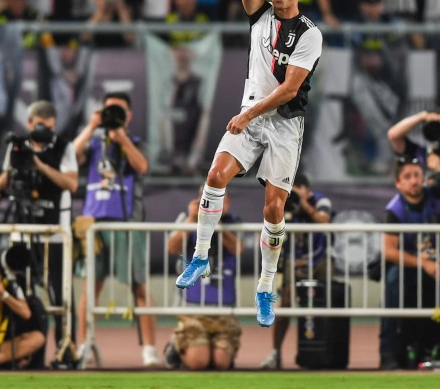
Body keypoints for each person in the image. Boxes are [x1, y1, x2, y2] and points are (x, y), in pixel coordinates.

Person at [174, 0, 323, 329]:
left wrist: (247, 114)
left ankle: (264, 286)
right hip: (250, 117)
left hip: (284, 126)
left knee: (274, 210)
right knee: (215, 176)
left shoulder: (310, 34)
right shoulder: (259, 14)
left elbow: (290, 88)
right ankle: (201, 255)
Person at [71, 92, 159, 367]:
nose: (113, 116)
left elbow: (142, 166)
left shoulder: (134, 142)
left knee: (140, 288)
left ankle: (149, 349)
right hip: (94, 224)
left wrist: (121, 138)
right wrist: (91, 126)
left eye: (119, 111)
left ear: (129, 115)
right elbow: (72, 156)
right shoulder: (94, 143)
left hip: (127, 222)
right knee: (89, 290)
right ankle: (84, 346)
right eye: (109, 110)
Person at [0, 101, 78, 360]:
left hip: (55, 232)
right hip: (23, 231)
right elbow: (6, 176)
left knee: (60, 294)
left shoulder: (64, 146)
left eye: (47, 127)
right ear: (29, 124)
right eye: (38, 126)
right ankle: (27, 352)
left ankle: (66, 351)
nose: (42, 132)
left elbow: (71, 184)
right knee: (21, 292)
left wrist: (40, 166)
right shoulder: (18, 145)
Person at [378, 156, 440, 370]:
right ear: (398, 183)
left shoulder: (437, 200)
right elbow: (388, 251)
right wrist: (423, 264)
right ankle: (387, 351)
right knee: (392, 283)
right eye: (408, 177)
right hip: (409, 266)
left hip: (439, 265)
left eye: (417, 175)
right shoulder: (394, 210)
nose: (414, 181)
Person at [260, 174, 333, 370]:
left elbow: (324, 221)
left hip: (319, 260)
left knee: (327, 299)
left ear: (307, 191)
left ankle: (328, 351)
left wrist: (304, 205)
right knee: (285, 303)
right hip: (294, 262)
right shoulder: (283, 202)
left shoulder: (320, 200)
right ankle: (276, 352)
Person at [164, 194, 243, 371]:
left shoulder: (233, 221)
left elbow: (238, 248)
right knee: (198, 362)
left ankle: (218, 349)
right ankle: (175, 345)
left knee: (221, 363)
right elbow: (171, 247)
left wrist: (216, 222)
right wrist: (193, 217)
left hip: (224, 308)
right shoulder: (186, 219)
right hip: (193, 308)